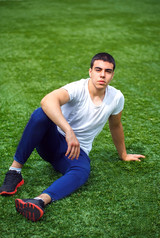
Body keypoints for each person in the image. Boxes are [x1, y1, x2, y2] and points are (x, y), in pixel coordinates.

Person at [0, 52, 145, 222]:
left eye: (108, 71)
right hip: (53, 142)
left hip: (76, 152)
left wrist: (123, 154)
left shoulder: (116, 97)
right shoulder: (78, 88)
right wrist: (68, 131)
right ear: (90, 71)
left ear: (112, 75)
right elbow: (47, 100)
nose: (102, 75)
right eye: (98, 69)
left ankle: (39, 201)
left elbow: (116, 125)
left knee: (83, 171)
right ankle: (14, 172)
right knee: (41, 114)